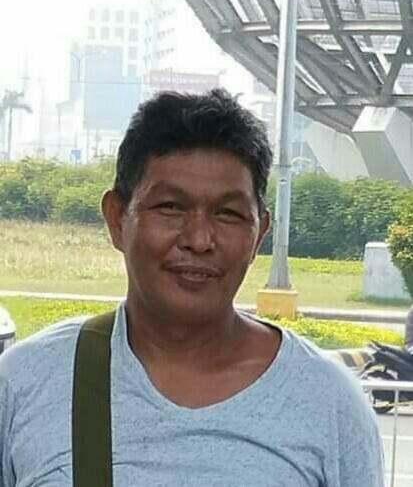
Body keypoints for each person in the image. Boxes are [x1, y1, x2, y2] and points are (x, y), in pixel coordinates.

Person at [0, 89, 384, 486]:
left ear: (259, 234)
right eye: (170, 207)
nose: (199, 240)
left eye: (228, 213)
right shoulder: (26, 380)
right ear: (117, 219)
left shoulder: (329, 403)